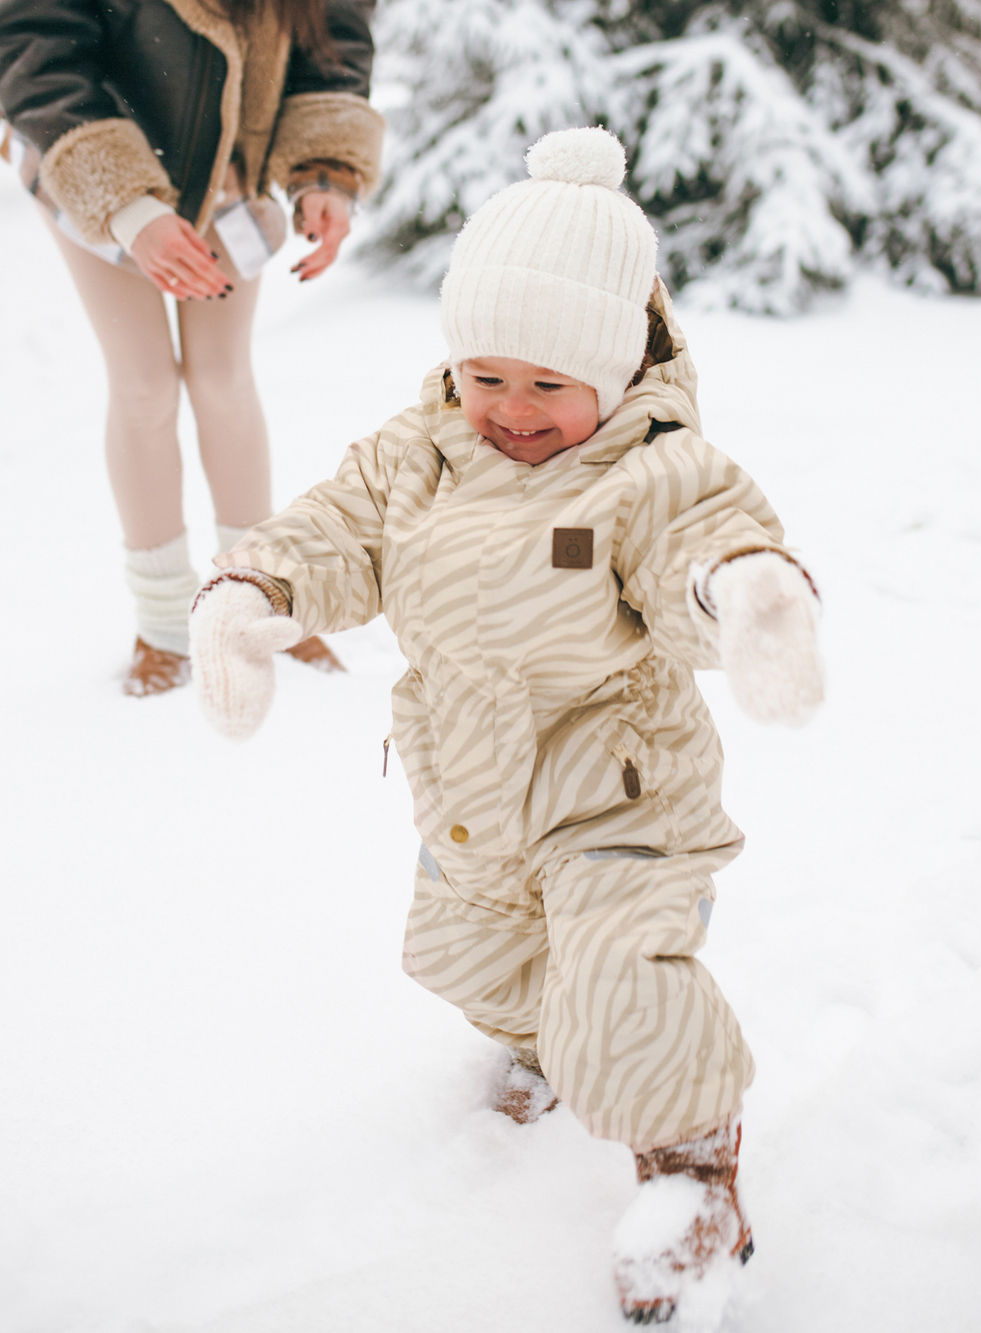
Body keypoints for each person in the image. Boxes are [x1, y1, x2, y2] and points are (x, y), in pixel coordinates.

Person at [186, 127, 824, 1326]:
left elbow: (699, 538)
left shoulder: (648, 467)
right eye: (487, 375)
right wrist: (255, 590)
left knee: (617, 972)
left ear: (617, 369)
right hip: (471, 785)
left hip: (619, 787)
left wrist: (740, 596)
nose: (512, 411)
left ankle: (691, 1171)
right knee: (465, 957)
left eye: (548, 385)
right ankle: (548, 1039)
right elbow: (337, 531)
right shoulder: (416, 453)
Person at [0, 0, 382, 693]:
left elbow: (333, 41)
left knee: (222, 378)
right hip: (88, 151)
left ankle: (254, 599)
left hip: (226, 162)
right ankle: (165, 625)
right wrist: (129, 204)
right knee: (144, 384)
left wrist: (324, 169)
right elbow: (34, 48)